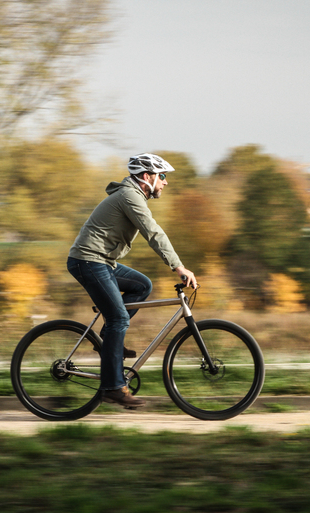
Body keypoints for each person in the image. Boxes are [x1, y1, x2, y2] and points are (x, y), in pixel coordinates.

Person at [67, 153, 198, 408]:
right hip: (89, 261)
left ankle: (109, 340)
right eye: (162, 176)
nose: (165, 182)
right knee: (119, 319)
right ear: (147, 176)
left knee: (142, 286)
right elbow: (153, 233)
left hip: (102, 262)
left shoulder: (132, 195)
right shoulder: (130, 196)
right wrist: (178, 267)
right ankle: (113, 387)